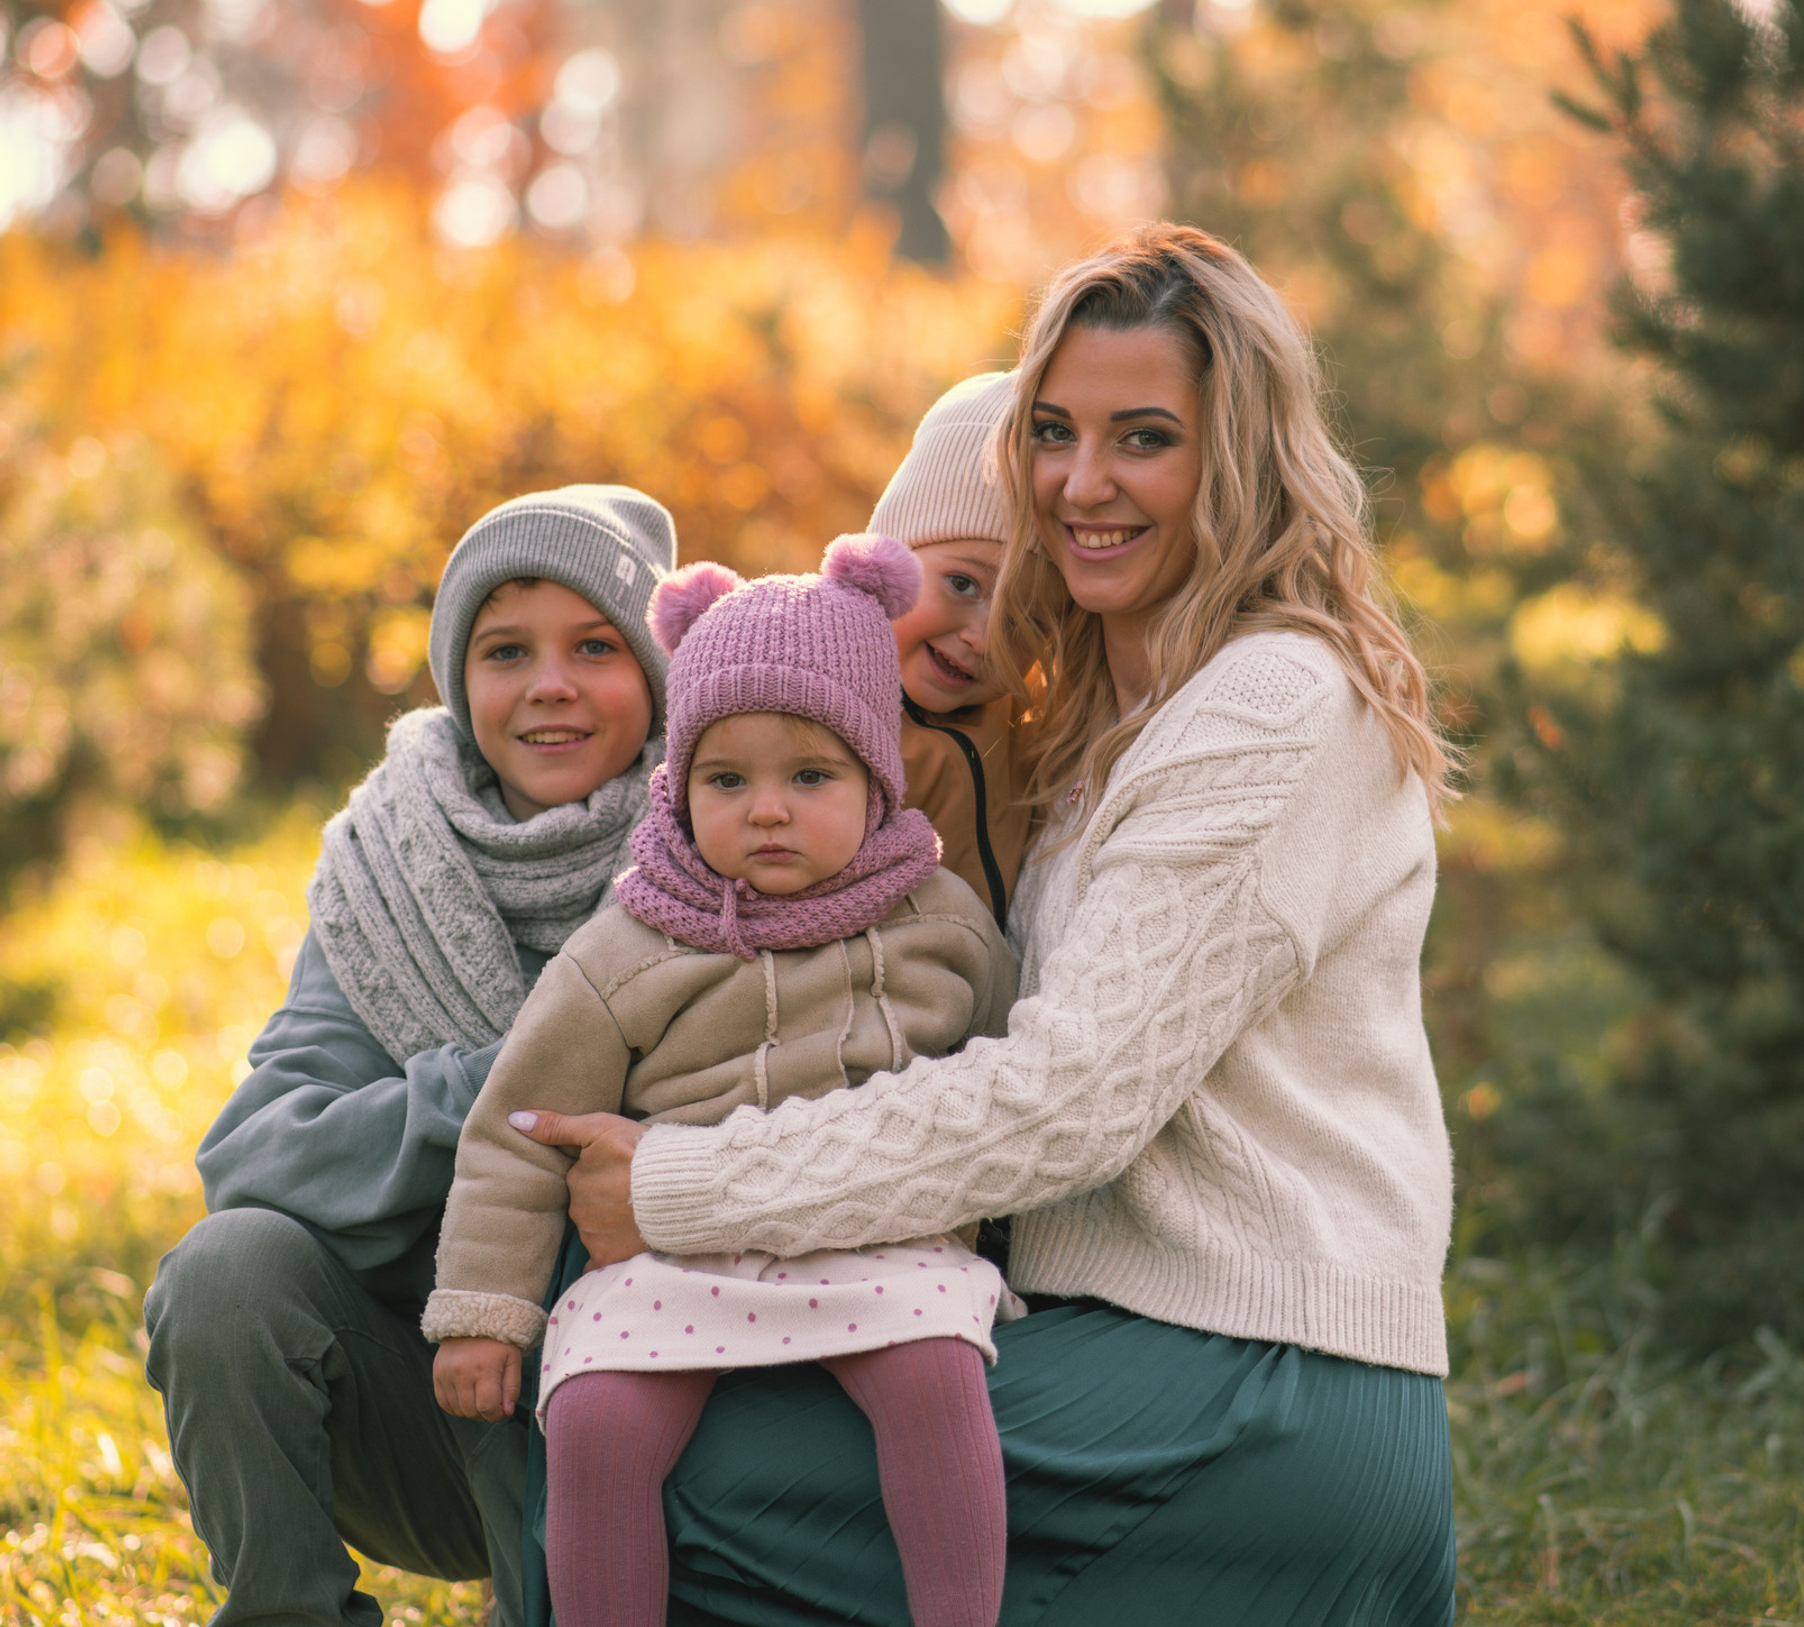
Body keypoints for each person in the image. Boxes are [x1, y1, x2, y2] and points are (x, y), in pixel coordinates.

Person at [515, 227, 1461, 1625]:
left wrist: (681, 1187)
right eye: (1057, 435)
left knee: (668, 1483)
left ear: (1241, 458)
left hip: (1261, 1377)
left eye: (1145, 438)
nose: (1085, 483)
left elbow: (1068, 1101)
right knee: (617, 1424)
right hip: (1139, 1345)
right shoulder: (1108, 730)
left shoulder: (1268, 705)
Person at [423, 534, 1018, 1627]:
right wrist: (486, 1309)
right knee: (598, 1419)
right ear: (680, 781)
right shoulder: (636, 938)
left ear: (877, 778)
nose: (769, 810)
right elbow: (522, 1124)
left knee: (938, 1380)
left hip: (874, 1233)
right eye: (727, 778)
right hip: (672, 1241)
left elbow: (1011, 1082)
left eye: (812, 776)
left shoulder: (939, 924)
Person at [143, 485, 678, 1627]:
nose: (549, 683)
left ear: (659, 670)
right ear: (457, 676)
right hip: (422, 1402)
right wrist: (513, 1088)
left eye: (596, 645)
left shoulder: (727, 836)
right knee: (225, 1273)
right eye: (504, 649)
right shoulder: (391, 869)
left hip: (669, 1409)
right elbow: (258, 1154)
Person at [870, 372, 1035, 927]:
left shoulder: (1028, 724)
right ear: (889, 561)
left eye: (1025, 618)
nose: (984, 639)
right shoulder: (821, 704)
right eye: (963, 584)